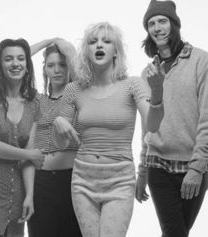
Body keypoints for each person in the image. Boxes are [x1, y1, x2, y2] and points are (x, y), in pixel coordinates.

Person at [53, 22, 164, 237]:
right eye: (93, 42)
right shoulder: (73, 90)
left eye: (106, 41)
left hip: (120, 180)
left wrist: (158, 92)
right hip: (83, 179)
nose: (99, 45)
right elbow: (61, 144)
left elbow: (153, 124)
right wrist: (59, 122)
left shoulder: (133, 85)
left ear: (116, 51)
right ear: (86, 51)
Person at [136, 1, 208, 237]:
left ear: (174, 24)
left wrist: (197, 168)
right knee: (174, 233)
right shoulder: (148, 74)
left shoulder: (200, 61)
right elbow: (147, 127)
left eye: (162, 21)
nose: (156, 28)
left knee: (177, 233)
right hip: (158, 164)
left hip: (194, 163)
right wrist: (142, 172)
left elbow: (207, 118)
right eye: (151, 23)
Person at [0, 38, 44, 237]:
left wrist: (29, 195)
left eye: (21, 58)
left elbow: (28, 159)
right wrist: (30, 154)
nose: (15, 63)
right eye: (8, 59)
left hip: (18, 189)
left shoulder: (34, 103)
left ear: (27, 66)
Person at [27, 38, 82, 237]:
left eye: (62, 64)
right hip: (40, 183)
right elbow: (18, 57)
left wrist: (65, 47)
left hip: (73, 181)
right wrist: (48, 41)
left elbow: (81, 68)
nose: (57, 70)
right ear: (45, 70)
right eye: (51, 65)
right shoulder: (36, 99)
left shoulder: (78, 94)